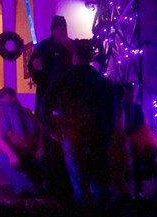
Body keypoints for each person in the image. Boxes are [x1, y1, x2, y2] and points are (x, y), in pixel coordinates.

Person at [41, 39, 115, 206]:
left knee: (80, 187)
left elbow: (45, 103)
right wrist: (108, 133)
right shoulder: (101, 82)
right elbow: (112, 109)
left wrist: (51, 127)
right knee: (100, 187)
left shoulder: (64, 79)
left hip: (73, 135)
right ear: (91, 56)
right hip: (98, 137)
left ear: (74, 56)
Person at [28, 15, 74, 199]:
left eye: (64, 28)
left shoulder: (70, 46)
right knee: (47, 133)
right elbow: (35, 68)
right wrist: (36, 69)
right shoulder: (44, 47)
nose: (61, 31)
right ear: (52, 29)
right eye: (58, 28)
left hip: (65, 96)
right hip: (47, 93)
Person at [0, 87, 44, 197]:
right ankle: (28, 193)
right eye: (8, 97)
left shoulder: (26, 112)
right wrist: (12, 155)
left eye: (13, 96)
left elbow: (41, 131)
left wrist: (41, 148)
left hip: (30, 151)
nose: (12, 100)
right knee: (3, 159)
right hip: (8, 153)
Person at [122, 82, 157, 199]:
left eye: (130, 93)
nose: (129, 95)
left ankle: (139, 189)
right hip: (130, 136)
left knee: (138, 163)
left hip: (137, 137)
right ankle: (132, 190)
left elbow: (141, 122)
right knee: (129, 164)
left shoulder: (135, 107)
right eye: (128, 93)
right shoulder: (125, 106)